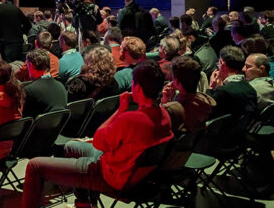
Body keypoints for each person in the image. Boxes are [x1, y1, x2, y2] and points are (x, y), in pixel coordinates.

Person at [21, 60, 174, 207]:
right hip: (133, 174)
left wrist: (120, 111)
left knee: (34, 166)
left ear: (138, 88)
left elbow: (98, 141)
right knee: (71, 146)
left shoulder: (130, 120)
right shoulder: (165, 116)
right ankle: (84, 203)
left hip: (111, 177)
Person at [161, 56, 216, 134]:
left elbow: (160, 124)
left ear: (176, 81)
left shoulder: (174, 109)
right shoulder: (205, 100)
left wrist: (165, 101)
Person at [208, 46, 258, 122]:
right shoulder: (250, 87)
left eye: (218, 63)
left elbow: (206, 112)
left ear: (222, 63)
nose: (218, 66)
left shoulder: (223, 91)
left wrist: (211, 87)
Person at [21, 49, 67, 119]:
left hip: (37, 129)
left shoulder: (30, 90)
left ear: (31, 65)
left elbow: (26, 119)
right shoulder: (61, 87)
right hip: (59, 128)